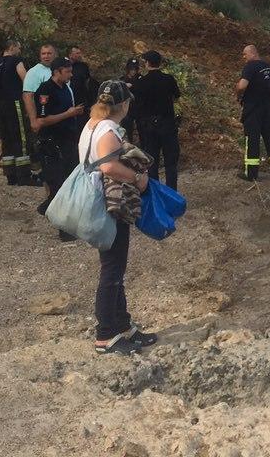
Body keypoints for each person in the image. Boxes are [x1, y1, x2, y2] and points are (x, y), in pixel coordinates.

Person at [79, 80, 156, 355]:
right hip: (109, 204)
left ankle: (124, 326)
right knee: (112, 269)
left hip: (97, 202)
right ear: (123, 105)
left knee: (116, 268)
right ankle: (105, 335)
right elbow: (110, 166)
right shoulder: (108, 129)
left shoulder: (91, 124)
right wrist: (138, 179)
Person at [31, 58, 85, 228]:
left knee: (71, 181)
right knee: (57, 183)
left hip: (68, 140)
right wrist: (68, 114)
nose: (70, 75)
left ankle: (51, 209)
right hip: (52, 143)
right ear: (57, 71)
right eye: (67, 71)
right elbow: (43, 120)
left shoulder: (66, 88)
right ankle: (62, 226)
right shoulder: (45, 90)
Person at [236, 44, 270, 182]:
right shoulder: (268, 66)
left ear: (252, 53)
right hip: (267, 107)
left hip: (253, 107)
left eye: (245, 54)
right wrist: (266, 93)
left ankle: (251, 174)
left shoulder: (250, 66)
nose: (244, 57)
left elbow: (242, 85)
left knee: (252, 138)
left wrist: (238, 94)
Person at [134, 50, 182, 189]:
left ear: (147, 63)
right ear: (160, 63)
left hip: (149, 126)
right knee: (171, 162)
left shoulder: (141, 82)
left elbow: (137, 103)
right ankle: (172, 193)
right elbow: (176, 96)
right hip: (167, 123)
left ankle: (155, 193)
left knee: (152, 162)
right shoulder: (169, 79)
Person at [0, 40, 30, 185]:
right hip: (15, 102)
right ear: (12, 47)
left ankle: (10, 176)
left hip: (0, 104)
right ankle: (24, 175)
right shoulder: (16, 61)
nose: (20, 50)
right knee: (20, 136)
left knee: (6, 138)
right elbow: (26, 80)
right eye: (19, 47)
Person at [21, 43, 57, 184]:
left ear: (55, 55)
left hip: (56, 118)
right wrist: (33, 119)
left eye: (49, 53)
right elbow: (28, 96)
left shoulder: (59, 69)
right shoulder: (34, 72)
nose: (46, 56)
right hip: (41, 118)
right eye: (44, 53)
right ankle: (39, 175)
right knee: (40, 148)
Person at [68, 46, 96, 135]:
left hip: (81, 101)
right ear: (70, 54)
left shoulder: (83, 66)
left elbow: (88, 83)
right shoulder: (64, 65)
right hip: (69, 100)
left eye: (80, 53)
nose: (79, 55)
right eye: (76, 53)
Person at [120, 57, 142, 142]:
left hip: (139, 108)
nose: (133, 71)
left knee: (142, 131)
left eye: (135, 69)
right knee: (127, 131)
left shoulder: (140, 78)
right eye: (131, 69)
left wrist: (134, 85)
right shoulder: (123, 79)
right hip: (127, 110)